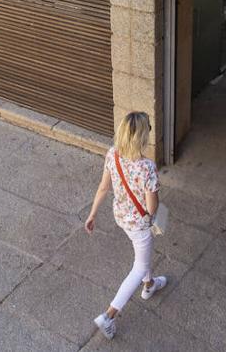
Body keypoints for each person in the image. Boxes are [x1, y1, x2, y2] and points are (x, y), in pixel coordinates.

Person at [84, 111, 167, 339]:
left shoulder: (112, 154)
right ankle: (108, 316)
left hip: (121, 217)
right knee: (139, 265)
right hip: (139, 224)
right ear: (142, 137)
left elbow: (103, 188)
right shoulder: (147, 167)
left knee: (144, 256)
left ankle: (149, 284)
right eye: (148, 129)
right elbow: (152, 208)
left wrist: (92, 215)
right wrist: (155, 208)